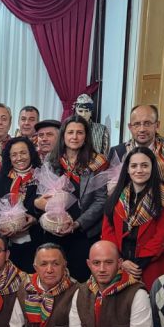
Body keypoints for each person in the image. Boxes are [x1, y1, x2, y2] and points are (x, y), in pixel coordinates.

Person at [38, 115, 109, 280]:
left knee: (80, 280)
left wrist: (77, 224)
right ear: (63, 135)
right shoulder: (51, 159)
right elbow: (43, 194)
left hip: (83, 232)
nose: (74, 137)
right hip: (54, 230)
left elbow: (101, 200)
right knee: (54, 278)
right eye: (70, 132)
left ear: (86, 137)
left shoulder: (97, 161)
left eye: (79, 132)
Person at [102, 146, 164, 289]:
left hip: (149, 265)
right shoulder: (116, 195)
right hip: (118, 264)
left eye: (144, 166)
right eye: (134, 166)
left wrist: (136, 265)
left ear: (153, 168)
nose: (139, 170)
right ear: (127, 169)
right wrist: (120, 261)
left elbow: (161, 236)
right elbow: (107, 231)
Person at [0, 136, 42, 270]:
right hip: (9, 244)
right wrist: (0, 226)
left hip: (37, 241)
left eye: (23, 153)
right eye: (14, 155)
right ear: (9, 158)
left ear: (31, 154)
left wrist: (35, 219)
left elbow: (50, 208)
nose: (19, 158)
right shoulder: (1, 178)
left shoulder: (41, 176)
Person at [107, 105, 164, 179]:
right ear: (130, 127)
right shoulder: (117, 152)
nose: (142, 129)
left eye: (147, 124)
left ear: (157, 125)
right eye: (136, 124)